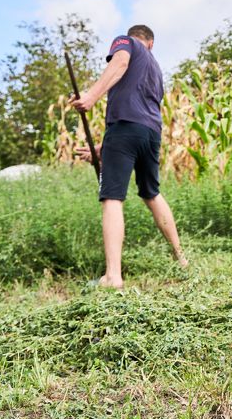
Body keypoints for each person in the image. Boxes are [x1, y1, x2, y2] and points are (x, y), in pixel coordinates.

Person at [71, 24, 187, 289]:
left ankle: (113, 276)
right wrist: (104, 148)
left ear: (139, 40)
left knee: (112, 196)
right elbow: (137, 110)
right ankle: (181, 260)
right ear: (152, 43)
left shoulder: (126, 43)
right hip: (150, 134)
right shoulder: (156, 70)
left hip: (124, 129)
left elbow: (120, 62)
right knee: (152, 193)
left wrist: (90, 96)